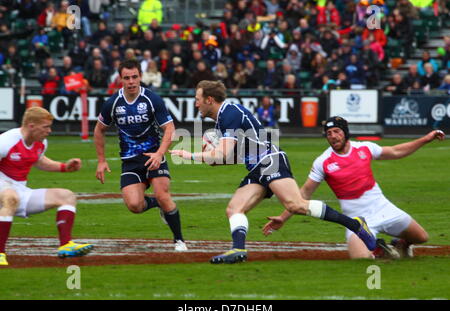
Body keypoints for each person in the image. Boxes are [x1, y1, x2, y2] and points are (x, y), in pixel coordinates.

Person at [170, 80, 376, 264]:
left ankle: (356, 225)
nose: (195, 103)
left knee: (295, 205)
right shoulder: (225, 116)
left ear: (209, 99)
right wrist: (218, 159)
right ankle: (238, 249)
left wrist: (190, 155)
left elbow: (223, 152)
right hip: (257, 166)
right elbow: (239, 154)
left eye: (197, 99)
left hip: (270, 161)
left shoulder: (229, 113)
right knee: (234, 209)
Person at [263, 117, 445, 259]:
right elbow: (304, 193)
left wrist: (426, 139)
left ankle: (401, 244)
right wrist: (283, 217)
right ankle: (378, 246)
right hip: (356, 221)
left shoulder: (365, 148)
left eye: (336, 131)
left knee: (422, 237)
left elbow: (396, 151)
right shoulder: (323, 162)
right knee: (361, 258)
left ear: (345, 132)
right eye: (329, 133)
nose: (333, 136)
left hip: (383, 208)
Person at [93, 59, 187, 252]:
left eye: (134, 77)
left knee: (163, 194)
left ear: (140, 77)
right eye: (127, 78)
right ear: (121, 79)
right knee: (134, 205)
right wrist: (101, 161)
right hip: (130, 160)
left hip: (153, 155)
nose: (131, 81)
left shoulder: (152, 99)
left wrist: (160, 154)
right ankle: (156, 205)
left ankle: (179, 240)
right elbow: (99, 130)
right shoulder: (112, 103)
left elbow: (169, 128)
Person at [0, 107, 93, 266]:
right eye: (46, 127)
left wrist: (64, 167)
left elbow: (39, 161)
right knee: (10, 197)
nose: (49, 131)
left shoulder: (40, 142)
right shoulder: (6, 141)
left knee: (66, 196)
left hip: (19, 189)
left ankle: (66, 245)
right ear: (31, 126)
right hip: (4, 186)